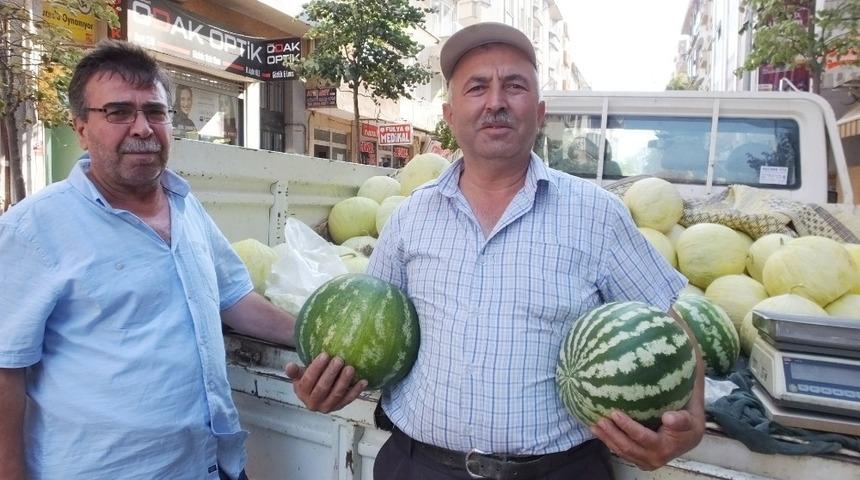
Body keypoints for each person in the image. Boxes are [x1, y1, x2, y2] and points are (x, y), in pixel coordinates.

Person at [286, 22, 705, 479]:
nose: (496, 102)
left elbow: (672, 326)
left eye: (514, 86)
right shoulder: (411, 218)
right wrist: (329, 383)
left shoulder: (597, 215)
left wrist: (694, 422)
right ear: (449, 115)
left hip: (558, 471)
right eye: (477, 87)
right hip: (420, 466)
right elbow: (369, 329)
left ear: (540, 111)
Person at [0, 40, 295, 480]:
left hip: (213, 466)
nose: (142, 128)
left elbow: (234, 298)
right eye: (118, 112)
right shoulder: (35, 229)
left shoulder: (186, 206)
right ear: (80, 127)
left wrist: (315, 335)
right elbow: (7, 369)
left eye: (155, 112)